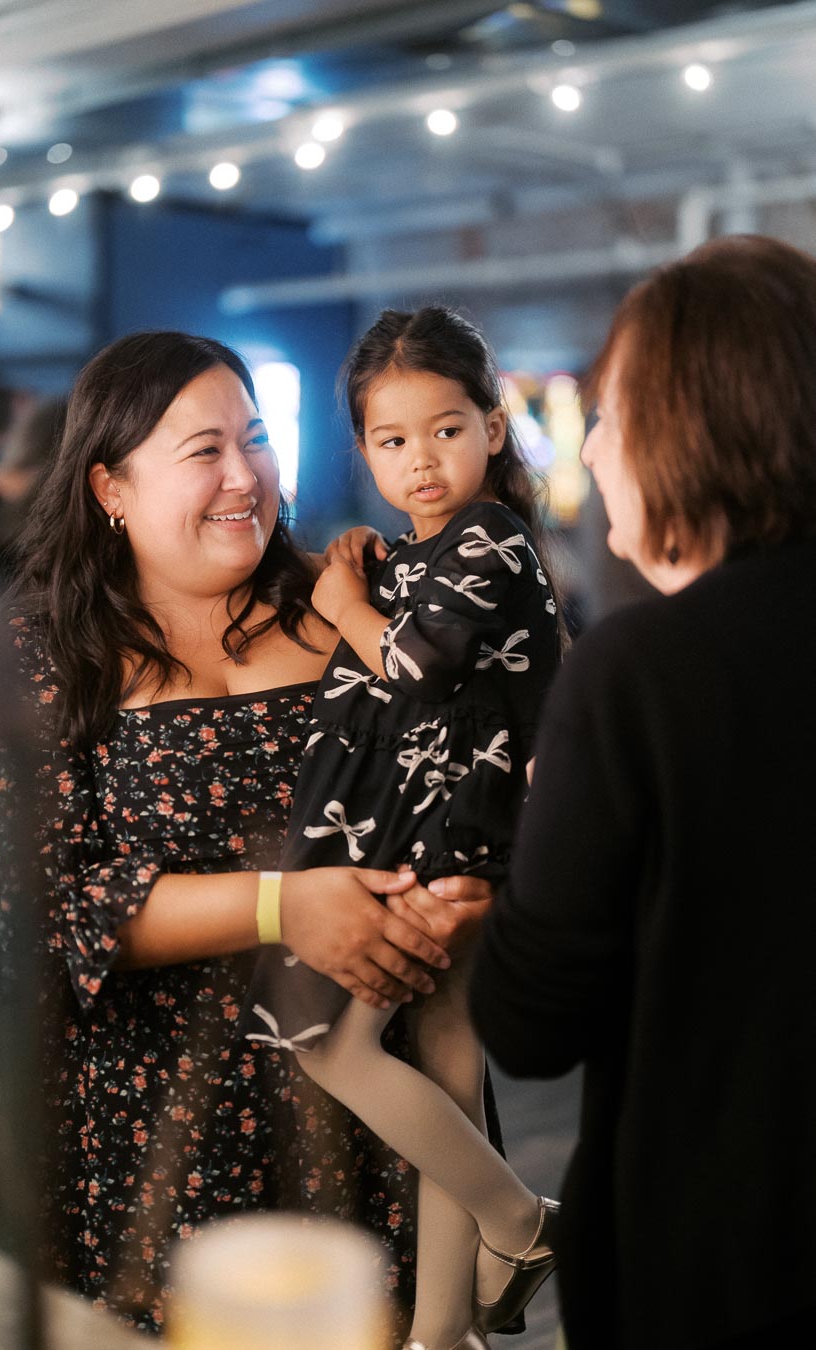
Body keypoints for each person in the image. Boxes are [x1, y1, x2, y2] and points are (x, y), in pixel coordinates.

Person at [0, 330, 494, 1334]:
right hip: (151, 1133)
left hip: (372, 1110)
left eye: (255, 438)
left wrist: (466, 887)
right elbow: (31, 913)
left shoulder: (356, 607)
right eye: (202, 450)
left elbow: (469, 768)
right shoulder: (46, 659)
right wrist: (282, 905)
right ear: (110, 488)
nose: (245, 474)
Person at [470, 234, 816, 1350]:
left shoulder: (642, 672)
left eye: (611, 415)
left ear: (685, 427)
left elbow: (528, 1022)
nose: (599, 449)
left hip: (727, 1256)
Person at [244, 307, 562, 1350]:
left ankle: (517, 1218)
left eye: (446, 429)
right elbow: (416, 633)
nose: (420, 461)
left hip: (439, 835)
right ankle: (439, 1329)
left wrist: (342, 597)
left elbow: (416, 673)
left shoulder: (494, 537)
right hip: (447, 826)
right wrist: (366, 568)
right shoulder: (429, 548)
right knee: (446, 1074)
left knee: (325, 1044)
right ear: (364, 449)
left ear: (494, 428)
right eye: (391, 440)